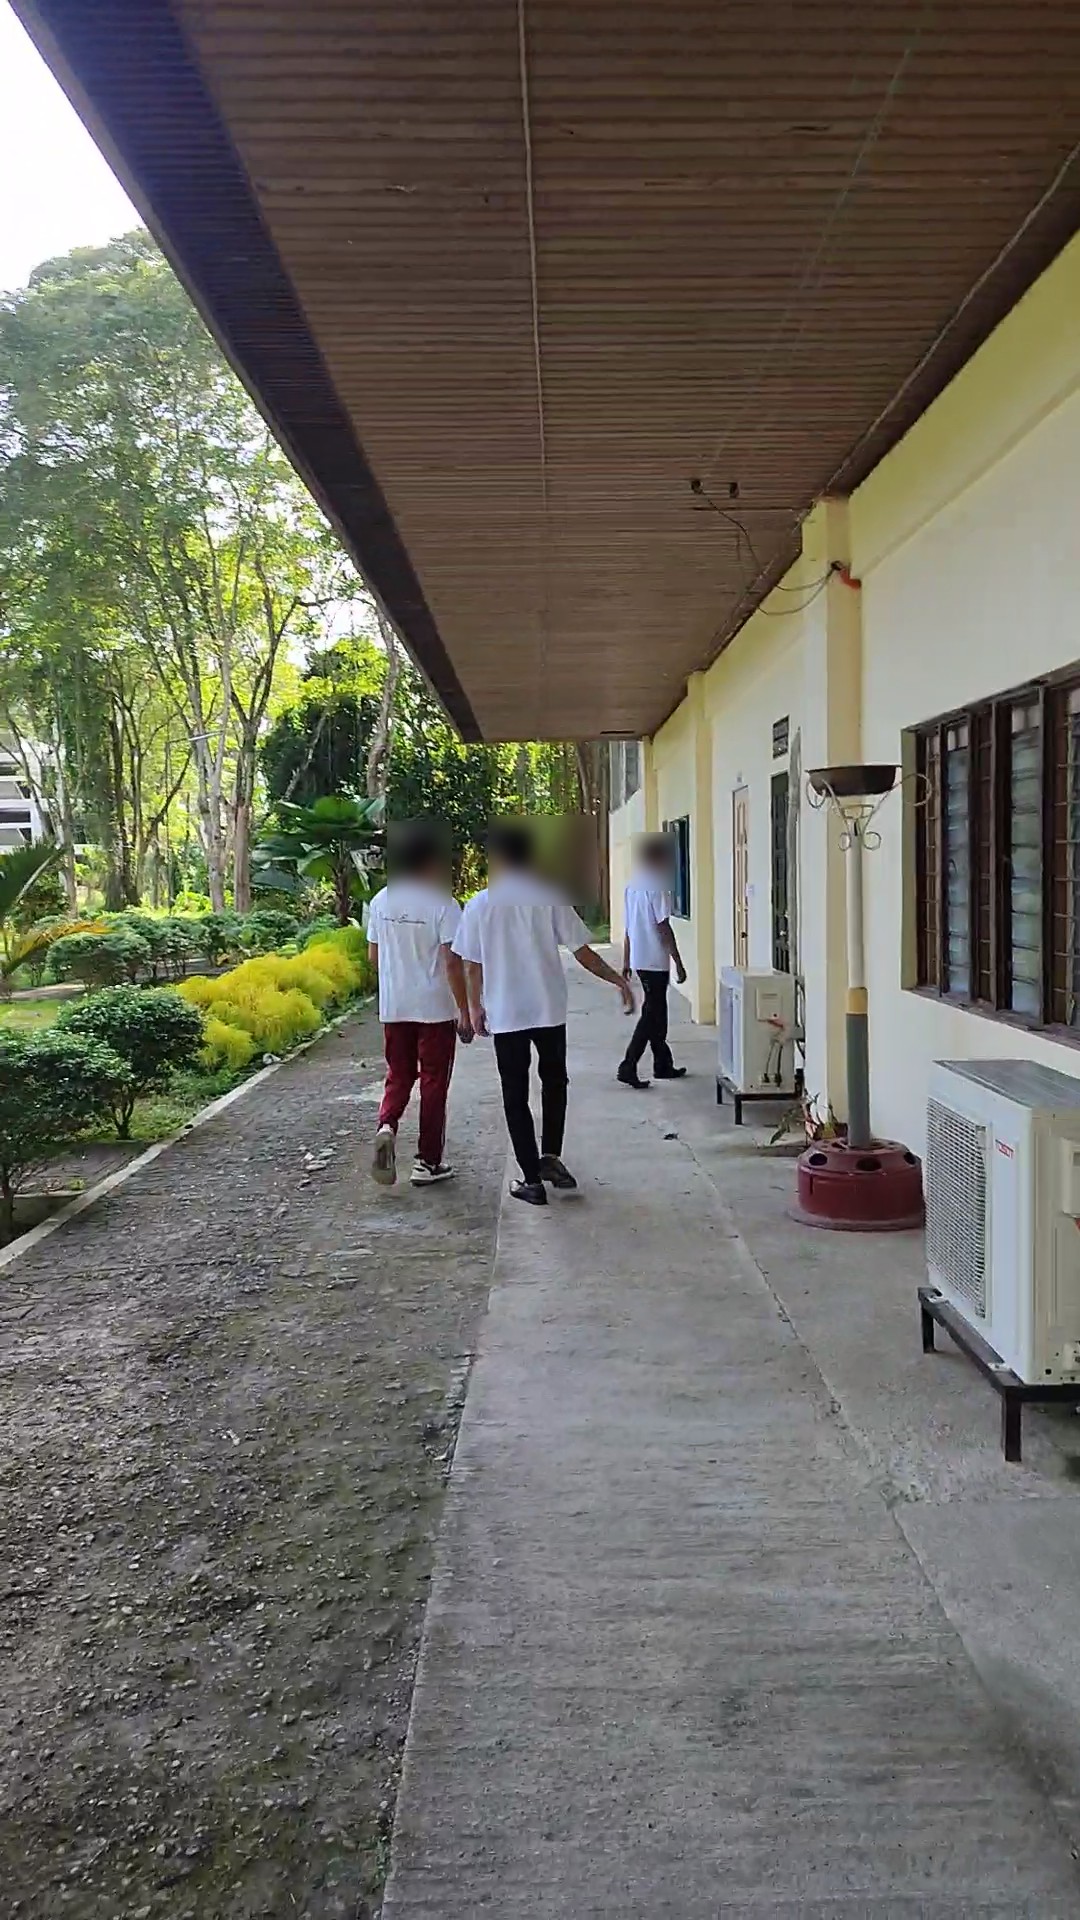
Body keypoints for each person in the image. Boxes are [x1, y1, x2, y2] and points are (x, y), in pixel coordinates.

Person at [454, 822, 634, 1207]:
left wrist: (474, 1007)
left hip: (507, 1013)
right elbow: (583, 952)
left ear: (498, 858)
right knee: (555, 1083)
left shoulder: (480, 904)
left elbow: (471, 964)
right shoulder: (550, 896)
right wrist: (617, 980)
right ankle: (550, 1156)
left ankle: (530, 1179)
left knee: (515, 1093)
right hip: (549, 1010)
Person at [367, 823, 472, 1188]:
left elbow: (373, 956)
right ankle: (427, 1162)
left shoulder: (380, 901)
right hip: (435, 1010)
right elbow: (452, 962)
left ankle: (386, 1125)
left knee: (398, 1075)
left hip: (394, 1007)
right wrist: (465, 1010)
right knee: (433, 1082)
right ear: (431, 861)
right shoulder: (444, 904)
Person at [618, 833, 688, 1090]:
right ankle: (628, 1064)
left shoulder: (633, 886)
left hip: (640, 957)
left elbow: (628, 927)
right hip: (655, 959)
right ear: (659, 857)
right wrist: (678, 961)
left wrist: (627, 960)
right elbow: (663, 927)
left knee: (657, 1011)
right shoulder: (658, 886)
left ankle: (663, 1063)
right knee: (651, 1014)